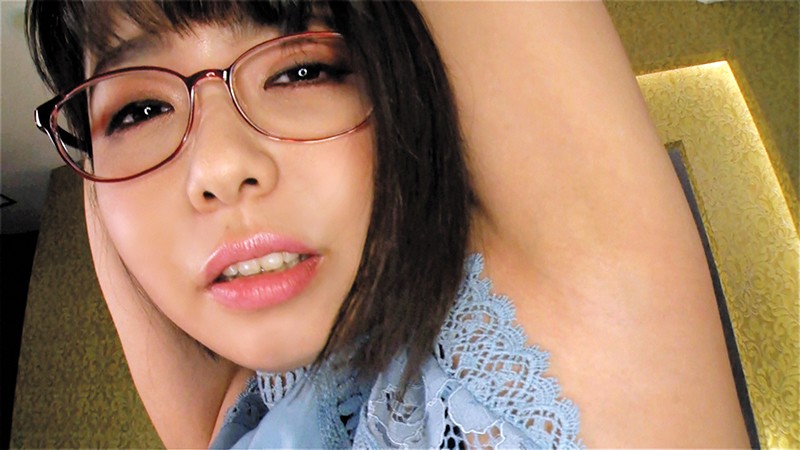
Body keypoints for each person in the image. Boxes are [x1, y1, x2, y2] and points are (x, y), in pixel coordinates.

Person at [27, 0, 749, 447]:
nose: (217, 166)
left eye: (302, 71)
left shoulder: (584, 309)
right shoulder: (239, 413)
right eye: (141, 111)